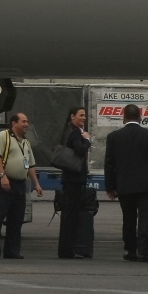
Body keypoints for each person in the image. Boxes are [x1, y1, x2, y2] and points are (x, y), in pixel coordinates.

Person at [104, 103, 148, 262]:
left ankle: (130, 250)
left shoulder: (114, 137)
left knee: (129, 219)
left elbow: (109, 164)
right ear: (140, 117)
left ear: (123, 117)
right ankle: (143, 251)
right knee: (146, 218)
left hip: (124, 185)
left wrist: (110, 187)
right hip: (147, 185)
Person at [0, 112, 44, 259]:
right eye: (23, 122)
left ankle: (12, 251)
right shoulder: (3, 137)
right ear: (14, 123)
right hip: (5, 183)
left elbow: (30, 165)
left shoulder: (25, 142)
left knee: (16, 219)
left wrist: (36, 184)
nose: (27, 125)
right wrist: (2, 176)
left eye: (27, 122)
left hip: (20, 185)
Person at [57, 107, 92, 259]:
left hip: (68, 178)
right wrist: (87, 139)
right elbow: (80, 149)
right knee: (71, 216)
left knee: (67, 214)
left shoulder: (66, 130)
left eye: (85, 115)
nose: (84, 118)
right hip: (74, 179)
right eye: (81, 115)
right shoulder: (76, 132)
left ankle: (65, 249)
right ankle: (67, 250)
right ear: (72, 116)